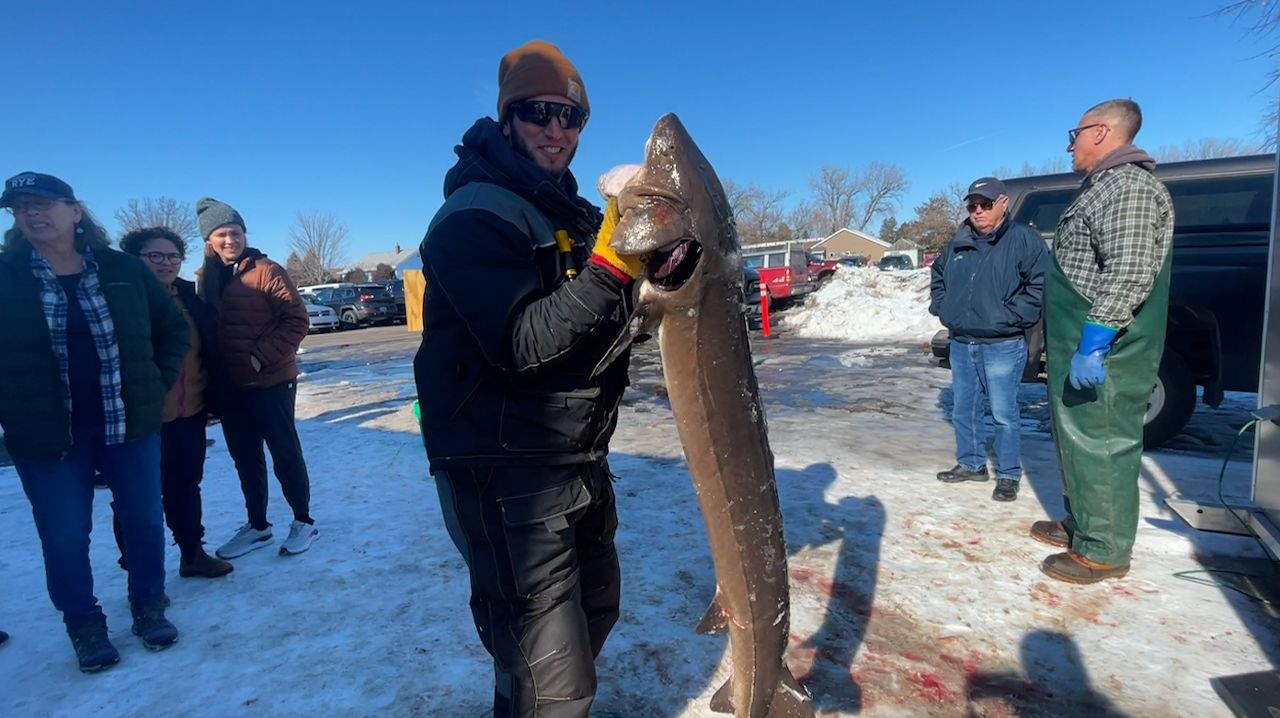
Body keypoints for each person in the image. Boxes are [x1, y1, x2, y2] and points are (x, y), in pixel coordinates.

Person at [412, 40, 645, 717]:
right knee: (554, 678)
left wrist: (659, 277)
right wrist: (613, 267)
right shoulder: (474, 214)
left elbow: (602, 322)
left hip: (573, 456)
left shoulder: (565, 213)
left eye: (572, 118)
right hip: (503, 468)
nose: (557, 130)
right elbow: (521, 340)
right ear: (510, 117)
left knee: (590, 618)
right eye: (541, 112)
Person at [0, 172, 188, 671]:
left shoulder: (123, 269)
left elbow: (173, 330)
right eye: (19, 208)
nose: (31, 214)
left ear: (75, 210)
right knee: (63, 535)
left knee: (145, 521)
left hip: (127, 424)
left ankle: (149, 607)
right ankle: (83, 623)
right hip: (45, 436)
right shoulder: (6, 276)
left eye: (42, 203)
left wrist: (154, 383)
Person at [1033, 99, 1174, 583]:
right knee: (1077, 436)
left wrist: (1095, 341)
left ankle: (1106, 550)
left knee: (1104, 440)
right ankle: (1085, 523)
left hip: (1109, 345)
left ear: (1100, 131)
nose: (1070, 145)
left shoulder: (1129, 187)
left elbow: (1130, 270)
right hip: (1082, 337)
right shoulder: (1102, 187)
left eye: (1074, 134)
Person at [195, 198, 318, 558]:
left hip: (271, 380)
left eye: (235, 232)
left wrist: (258, 357)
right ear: (209, 240)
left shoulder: (267, 270)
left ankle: (304, 521)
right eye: (221, 234)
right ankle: (258, 525)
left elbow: (297, 321)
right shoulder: (205, 279)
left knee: (284, 452)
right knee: (245, 457)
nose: (230, 239)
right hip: (230, 386)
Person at [115, 226, 234, 578]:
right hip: (141, 419)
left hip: (189, 412)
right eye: (154, 256)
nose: (165, 263)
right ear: (134, 259)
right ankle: (138, 569)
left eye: (172, 256)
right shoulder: (123, 298)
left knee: (185, 486)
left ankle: (192, 553)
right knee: (136, 496)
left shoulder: (187, 296)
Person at [929, 177, 1047, 502]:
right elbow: (938, 276)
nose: (977, 211)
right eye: (972, 205)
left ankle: (1008, 474)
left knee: (1003, 413)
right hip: (963, 341)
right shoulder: (958, 242)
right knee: (963, 409)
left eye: (985, 204)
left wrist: (1010, 316)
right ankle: (971, 464)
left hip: (1002, 344)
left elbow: (1039, 286)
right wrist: (943, 307)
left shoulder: (1024, 240)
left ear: (1003, 203)